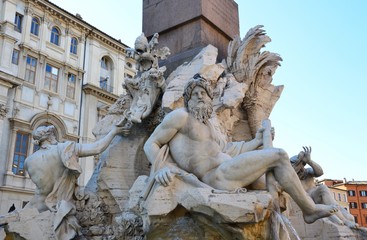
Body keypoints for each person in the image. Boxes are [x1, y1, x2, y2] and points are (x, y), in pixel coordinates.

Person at [144, 74, 337, 224]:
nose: (199, 96)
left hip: (228, 170)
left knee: (269, 183)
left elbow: (228, 150)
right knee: (279, 156)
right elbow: (150, 143)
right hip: (215, 177)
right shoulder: (180, 117)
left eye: (203, 92)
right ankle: (310, 210)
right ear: (187, 99)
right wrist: (161, 168)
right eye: (194, 94)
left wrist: (258, 140)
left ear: (210, 98)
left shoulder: (209, 123)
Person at [24, 124, 123, 239]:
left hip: (35, 208)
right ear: (50, 137)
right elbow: (97, 148)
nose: (56, 138)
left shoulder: (29, 160)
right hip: (58, 210)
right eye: (54, 136)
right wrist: (114, 131)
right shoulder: (65, 149)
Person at [291, 146, 358, 228]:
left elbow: (320, 172)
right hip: (309, 203)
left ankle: (344, 219)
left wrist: (309, 161)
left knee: (350, 217)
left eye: (302, 165)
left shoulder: (307, 172)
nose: (300, 168)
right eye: (298, 165)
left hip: (319, 198)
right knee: (323, 189)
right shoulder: (291, 177)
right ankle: (344, 221)